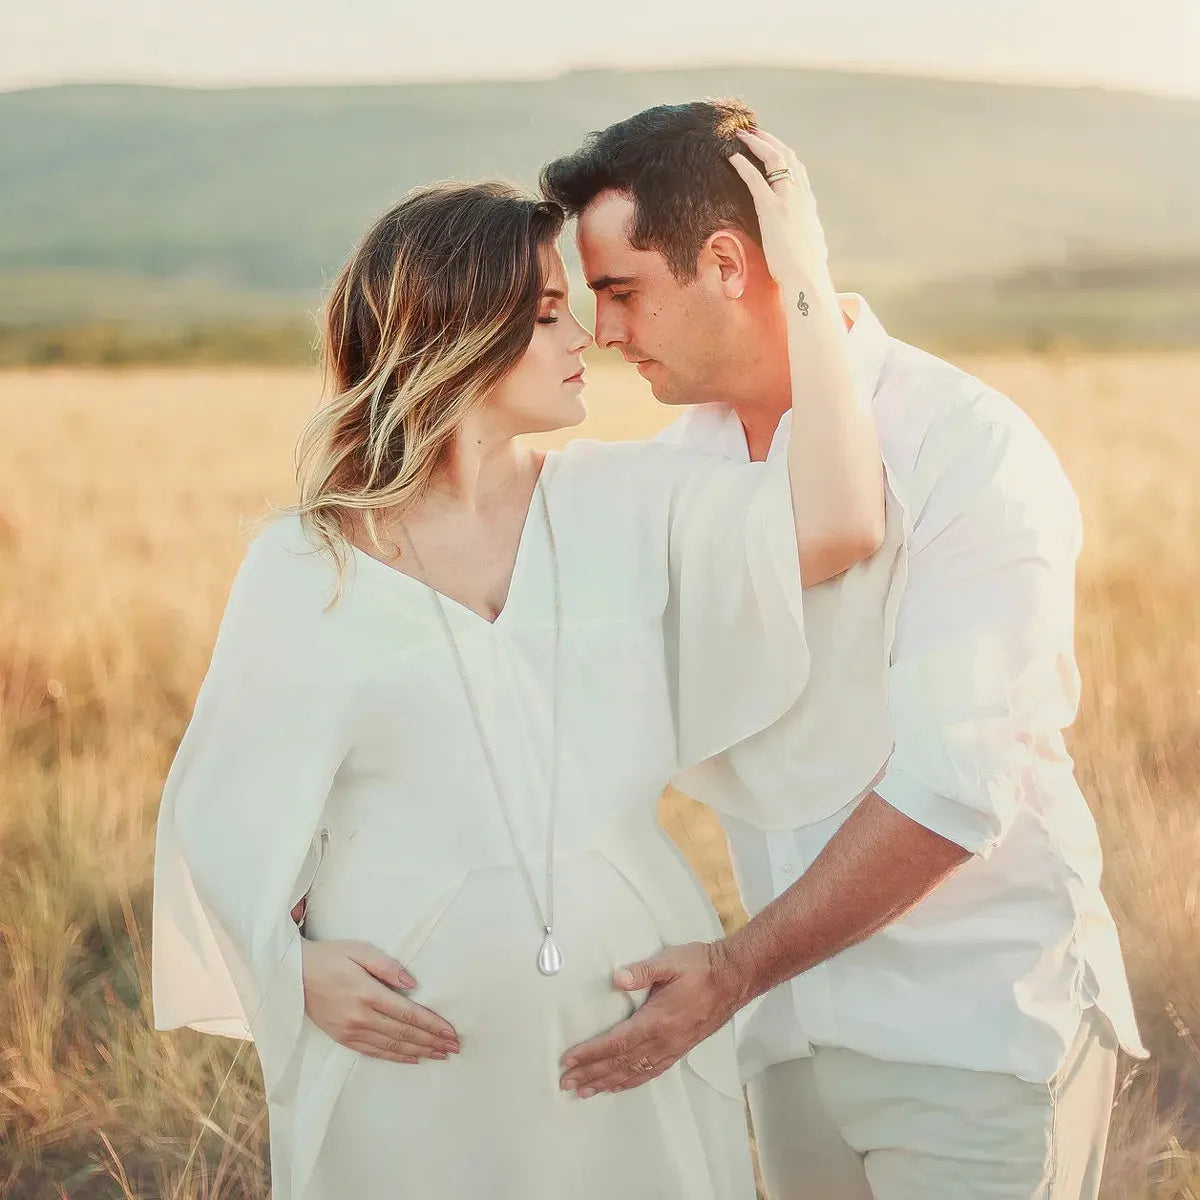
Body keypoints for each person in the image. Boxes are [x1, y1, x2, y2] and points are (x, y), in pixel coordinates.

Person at [150, 132, 907, 1199]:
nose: (587, 337)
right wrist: (288, 968)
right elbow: (218, 811)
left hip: (628, 1023)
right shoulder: (304, 560)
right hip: (408, 1066)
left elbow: (838, 521)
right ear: (457, 330)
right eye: (550, 312)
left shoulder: (618, 501)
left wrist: (805, 270)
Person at [540, 99, 1148, 1199]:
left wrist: (730, 969)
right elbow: (554, 692)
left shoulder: (970, 447)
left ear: (727, 262)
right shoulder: (683, 467)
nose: (604, 332)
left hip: (975, 1033)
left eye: (623, 290)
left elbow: (958, 788)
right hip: (784, 1043)